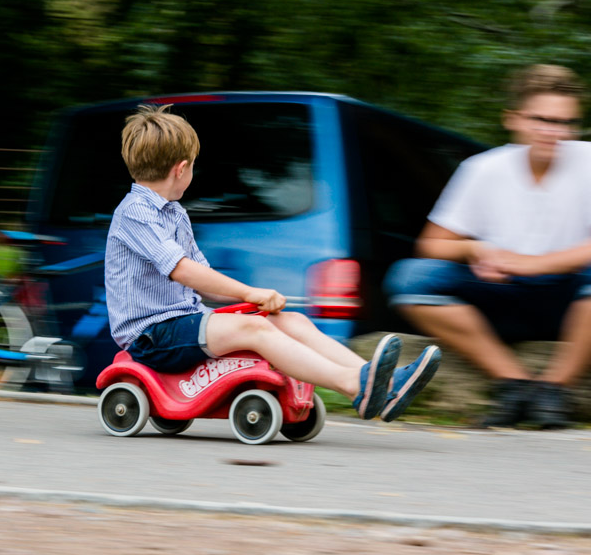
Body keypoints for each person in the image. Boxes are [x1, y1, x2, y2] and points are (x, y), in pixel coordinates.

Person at [105, 104, 442, 422]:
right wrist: (251, 293)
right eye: (192, 165)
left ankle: (383, 383)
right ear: (181, 169)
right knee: (256, 328)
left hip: (185, 323)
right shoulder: (134, 213)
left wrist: (257, 301)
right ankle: (356, 386)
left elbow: (202, 276)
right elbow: (183, 270)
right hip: (152, 335)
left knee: (290, 320)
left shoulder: (175, 214)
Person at [384, 64, 591, 429]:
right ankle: (515, 383)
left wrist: (534, 264)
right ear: (512, 118)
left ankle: (553, 389)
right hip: (500, 297)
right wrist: (476, 250)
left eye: (565, 123)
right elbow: (431, 245)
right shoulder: (482, 168)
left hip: (576, 300)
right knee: (409, 277)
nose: (553, 132)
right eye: (541, 119)